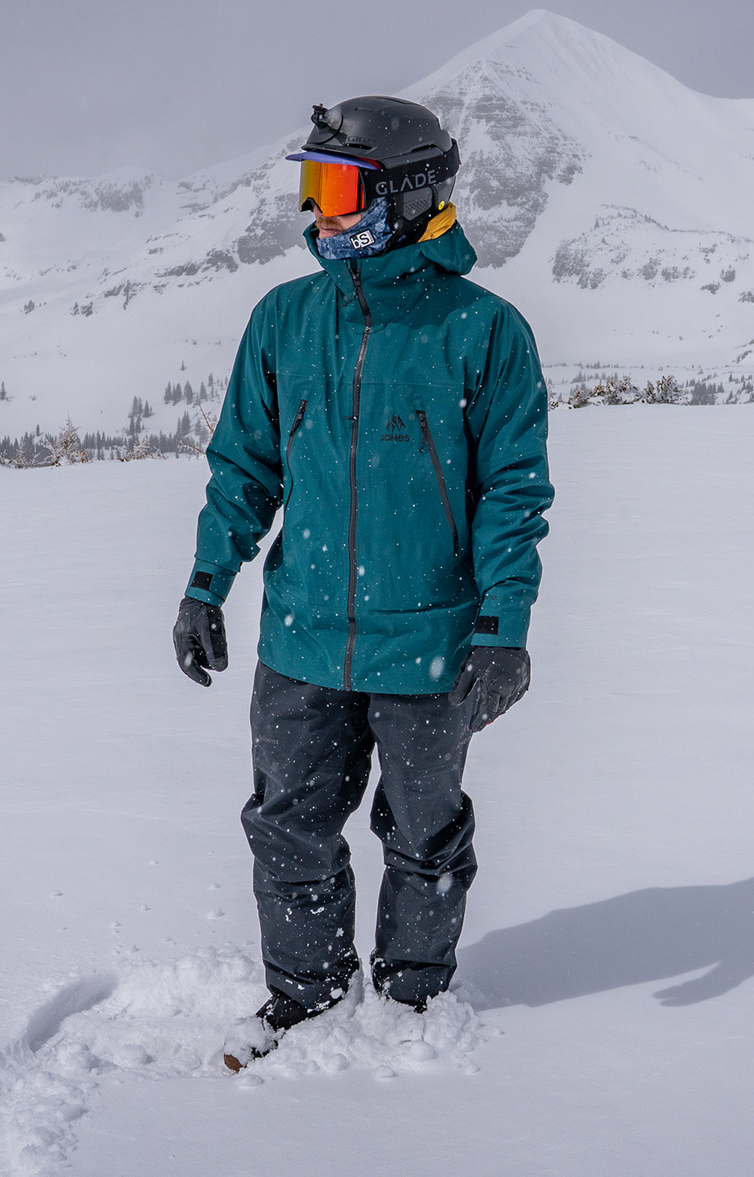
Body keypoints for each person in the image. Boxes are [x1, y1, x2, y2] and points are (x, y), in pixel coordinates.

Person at [171, 95, 553, 1071]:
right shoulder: (286, 320)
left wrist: (503, 627)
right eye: (313, 186)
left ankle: (412, 999)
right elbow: (243, 467)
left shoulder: (483, 333)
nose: (319, 211)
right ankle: (305, 997)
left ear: (412, 191)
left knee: (423, 831)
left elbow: (512, 493)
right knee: (287, 828)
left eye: (339, 186)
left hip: (428, 644)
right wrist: (206, 582)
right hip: (301, 639)